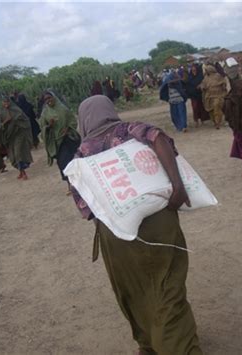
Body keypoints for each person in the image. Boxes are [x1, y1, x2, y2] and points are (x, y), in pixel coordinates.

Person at [71, 95, 203, 355]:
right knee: (168, 287)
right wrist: (177, 186)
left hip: (117, 237)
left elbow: (86, 209)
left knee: (133, 291)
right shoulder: (130, 129)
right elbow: (158, 138)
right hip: (159, 223)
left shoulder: (81, 153)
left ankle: (148, 345)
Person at [38, 90, 80, 193]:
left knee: (72, 161)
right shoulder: (45, 113)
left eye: (49, 98)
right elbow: (42, 128)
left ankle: (76, 184)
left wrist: (68, 128)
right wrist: (49, 126)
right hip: (56, 142)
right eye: (46, 99)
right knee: (62, 163)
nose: (48, 100)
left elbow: (73, 121)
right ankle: (69, 184)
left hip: (68, 140)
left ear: (54, 97)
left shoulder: (63, 109)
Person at [0, 96, 33, 180]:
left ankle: (23, 173)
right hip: (9, 137)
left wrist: (15, 120)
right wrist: (5, 122)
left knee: (18, 153)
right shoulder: (1, 113)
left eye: (7, 102)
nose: (6, 104)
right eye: (4, 102)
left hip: (19, 134)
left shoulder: (17, 110)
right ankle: (20, 171)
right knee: (13, 156)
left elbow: (25, 120)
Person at [200, 62, 227, 129]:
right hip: (209, 96)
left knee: (216, 107)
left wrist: (223, 86)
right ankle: (214, 121)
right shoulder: (206, 78)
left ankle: (218, 122)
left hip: (218, 95)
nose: (206, 71)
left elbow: (223, 82)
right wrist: (202, 87)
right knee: (210, 110)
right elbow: (203, 85)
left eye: (207, 70)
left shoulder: (218, 76)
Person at [185, 63, 210, 127]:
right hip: (193, 95)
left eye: (195, 68)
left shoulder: (200, 76)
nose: (194, 69)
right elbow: (188, 85)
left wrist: (201, 85)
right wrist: (192, 89)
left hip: (200, 94)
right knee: (195, 108)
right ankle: (196, 120)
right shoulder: (189, 77)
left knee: (201, 107)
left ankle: (202, 120)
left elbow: (204, 82)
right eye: (192, 68)